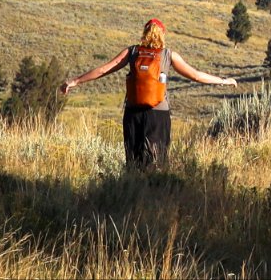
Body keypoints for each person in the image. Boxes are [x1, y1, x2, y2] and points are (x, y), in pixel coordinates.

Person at [62, 17, 236, 169]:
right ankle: (155, 196)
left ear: (144, 33)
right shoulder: (168, 55)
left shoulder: (132, 52)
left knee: (133, 159)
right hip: (158, 113)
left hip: (133, 112)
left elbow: (103, 69)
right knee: (157, 160)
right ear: (162, 34)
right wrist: (223, 81)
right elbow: (196, 76)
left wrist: (75, 81)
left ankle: (133, 195)